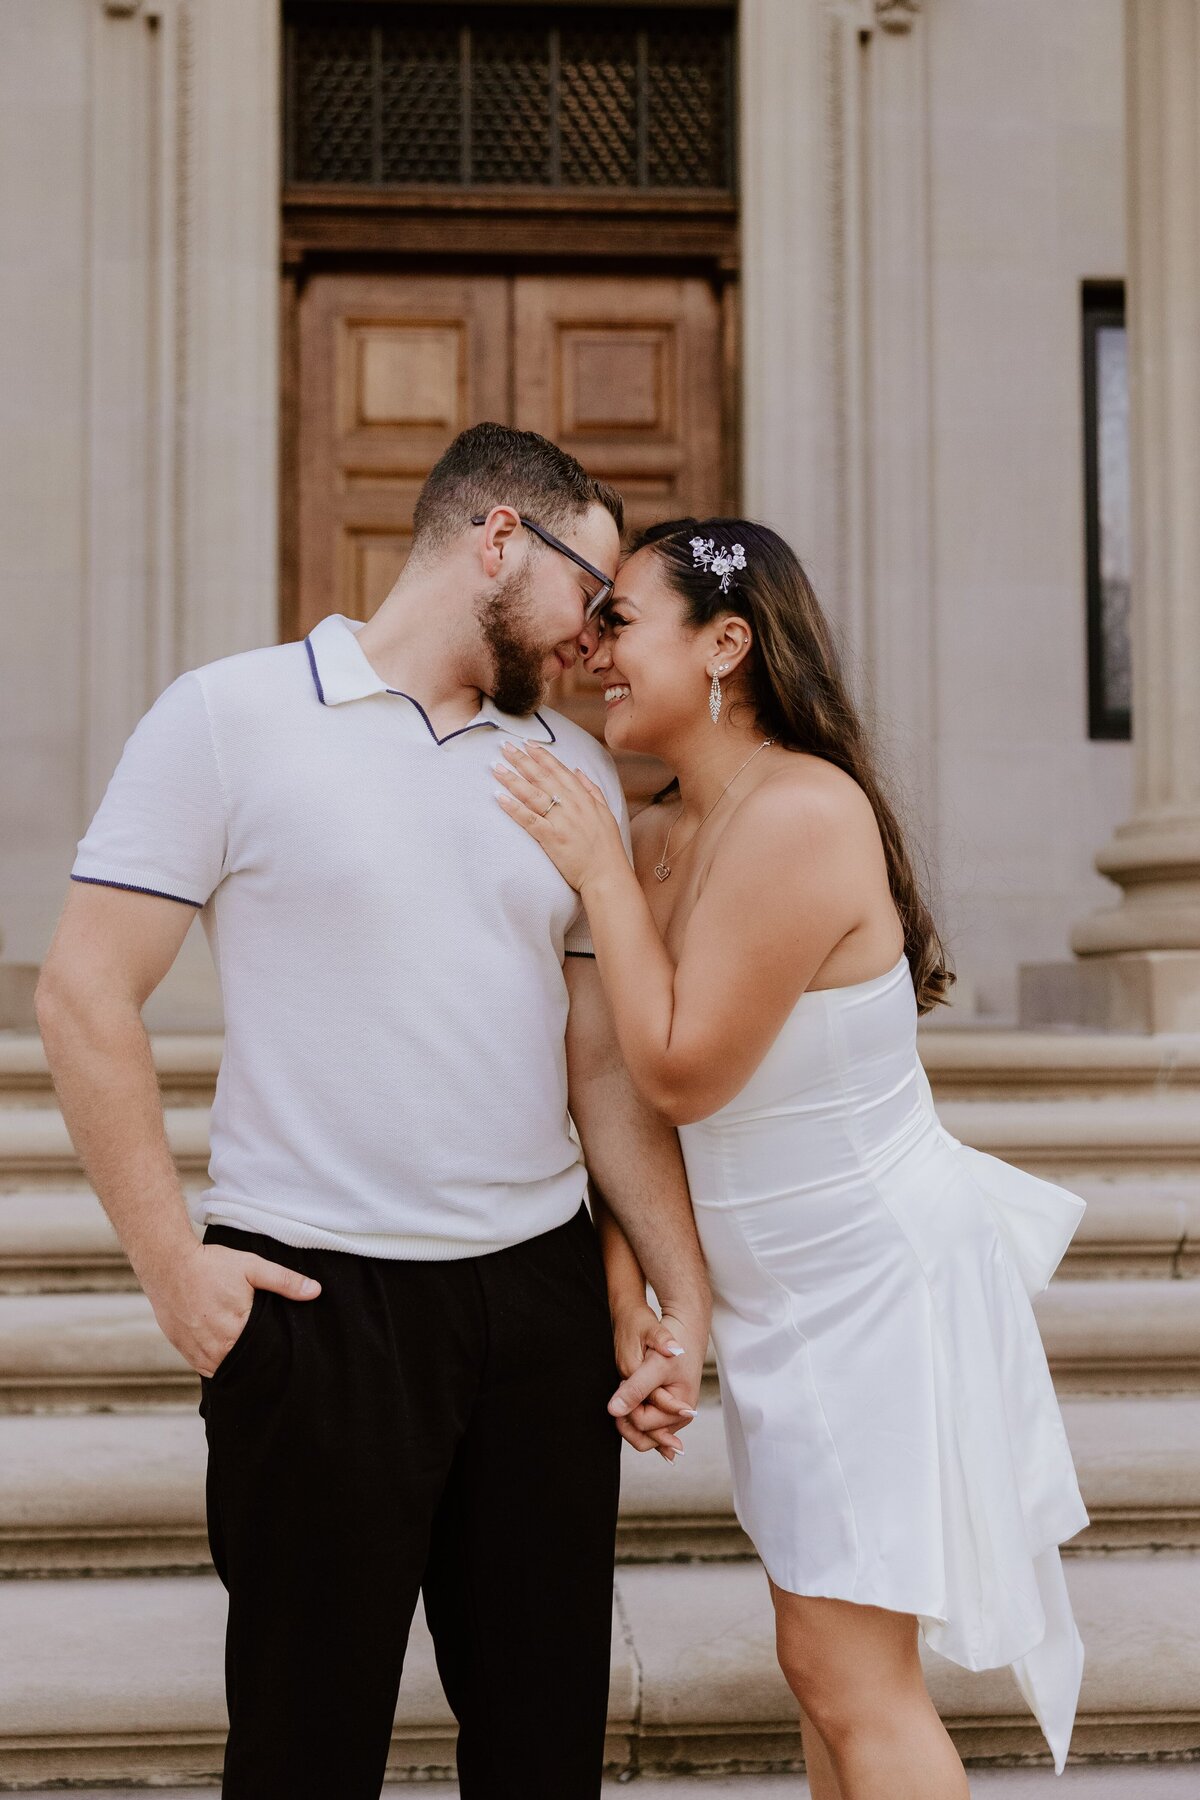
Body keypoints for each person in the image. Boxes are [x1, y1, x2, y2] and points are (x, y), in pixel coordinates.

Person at [35, 426, 709, 1800]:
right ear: (501, 539)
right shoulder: (227, 716)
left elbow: (600, 1066)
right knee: (303, 1755)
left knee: (541, 1758)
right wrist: (175, 1271)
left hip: (535, 1309)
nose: (597, 637)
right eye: (593, 592)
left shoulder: (572, 771)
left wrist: (674, 1290)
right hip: (315, 1304)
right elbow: (82, 995)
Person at [490, 516, 1090, 1800]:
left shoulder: (803, 814)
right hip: (781, 1298)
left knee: (847, 1675)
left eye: (622, 622)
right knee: (827, 1674)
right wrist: (636, 1290)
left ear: (726, 644)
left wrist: (595, 870)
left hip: (867, 1286)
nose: (594, 650)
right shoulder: (663, 830)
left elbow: (680, 1068)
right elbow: (614, 1098)